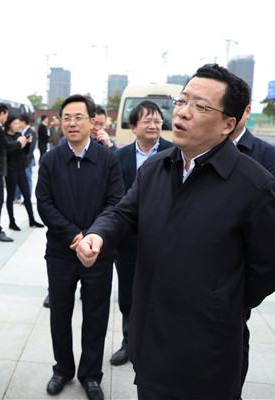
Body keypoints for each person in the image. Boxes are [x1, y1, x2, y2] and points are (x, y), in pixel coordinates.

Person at [76, 64, 275, 400]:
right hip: (151, 341)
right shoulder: (155, 167)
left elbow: (269, 269)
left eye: (200, 106)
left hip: (208, 350)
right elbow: (123, 213)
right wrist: (98, 234)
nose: (183, 112)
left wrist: (222, 303)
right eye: (182, 101)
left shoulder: (254, 185)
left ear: (228, 124)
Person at [36, 94, 124, 400]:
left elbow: (115, 203)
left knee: (96, 315)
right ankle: (62, 369)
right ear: (60, 122)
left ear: (92, 121)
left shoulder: (108, 159)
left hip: (98, 253)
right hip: (61, 252)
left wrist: (93, 237)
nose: (72, 123)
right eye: (67, 118)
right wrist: (75, 237)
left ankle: (91, 375)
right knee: (59, 313)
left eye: (78, 117)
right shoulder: (50, 160)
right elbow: (44, 204)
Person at [109, 101, 174, 367]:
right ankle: (129, 342)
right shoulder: (120, 157)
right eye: (147, 121)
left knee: (162, 293)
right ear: (133, 127)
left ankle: (158, 345)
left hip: (164, 240)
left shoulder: (174, 153)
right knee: (128, 295)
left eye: (157, 121)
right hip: (128, 240)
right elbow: (115, 197)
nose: (153, 125)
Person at [231, 100, 275, 398]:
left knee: (236, 336)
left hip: (238, 267)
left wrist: (243, 294)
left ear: (246, 112)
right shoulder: (201, 149)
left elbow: (268, 216)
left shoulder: (265, 153)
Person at [0, 102, 27, 242]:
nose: (6, 118)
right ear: (2, 113)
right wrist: (20, 143)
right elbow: (6, 145)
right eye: (6, 115)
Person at [3, 113, 43, 231]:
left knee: (27, 195)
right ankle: (12, 221)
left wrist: (27, 143)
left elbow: (24, 152)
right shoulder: (5, 137)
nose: (17, 126)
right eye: (15, 123)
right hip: (11, 170)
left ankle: (32, 219)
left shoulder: (19, 135)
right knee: (10, 196)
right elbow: (8, 152)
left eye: (18, 123)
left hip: (21, 169)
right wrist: (19, 144)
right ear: (9, 124)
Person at [17, 113, 37, 198]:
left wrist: (27, 161)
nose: (18, 123)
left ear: (23, 122)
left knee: (27, 178)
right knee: (18, 178)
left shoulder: (31, 132)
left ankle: (27, 196)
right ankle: (17, 196)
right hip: (18, 159)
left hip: (27, 160)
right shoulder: (19, 132)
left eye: (19, 121)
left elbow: (31, 149)